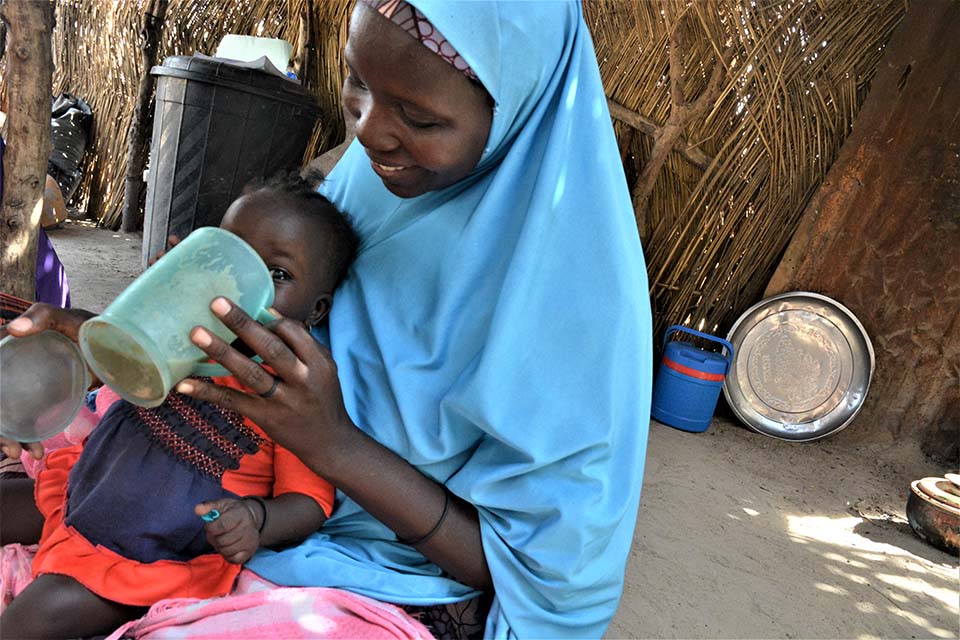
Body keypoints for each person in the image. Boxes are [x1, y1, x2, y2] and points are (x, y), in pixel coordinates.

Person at [4, 1, 653, 637]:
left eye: (420, 117)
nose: (368, 131)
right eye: (357, 83)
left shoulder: (575, 308)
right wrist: (115, 337)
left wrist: (334, 446)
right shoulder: (361, 194)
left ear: (514, 108)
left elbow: (541, 575)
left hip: (390, 565)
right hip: (209, 494)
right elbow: (239, 331)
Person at [0, 173, 358, 639]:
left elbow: (310, 500)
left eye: (278, 275)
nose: (238, 293)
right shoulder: (179, 335)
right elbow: (105, 359)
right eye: (227, 262)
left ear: (317, 310)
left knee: (35, 617)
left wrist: (258, 520)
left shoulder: (291, 393)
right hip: (88, 485)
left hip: (149, 547)